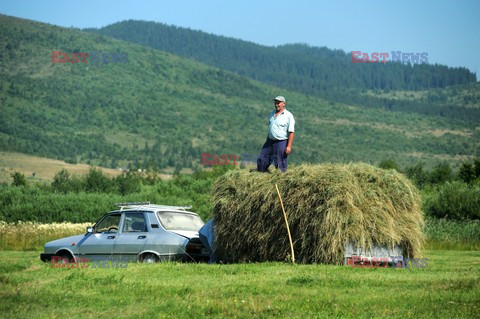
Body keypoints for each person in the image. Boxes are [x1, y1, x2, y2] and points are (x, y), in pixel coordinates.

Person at [257, 95, 295, 172]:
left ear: (284, 104)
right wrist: (267, 140)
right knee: (262, 159)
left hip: (281, 142)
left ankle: (282, 177)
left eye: (278, 103)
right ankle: (261, 174)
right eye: (275, 102)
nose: (276, 104)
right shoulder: (272, 114)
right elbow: (271, 129)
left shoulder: (288, 116)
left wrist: (289, 146)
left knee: (280, 162)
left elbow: (291, 132)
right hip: (270, 141)